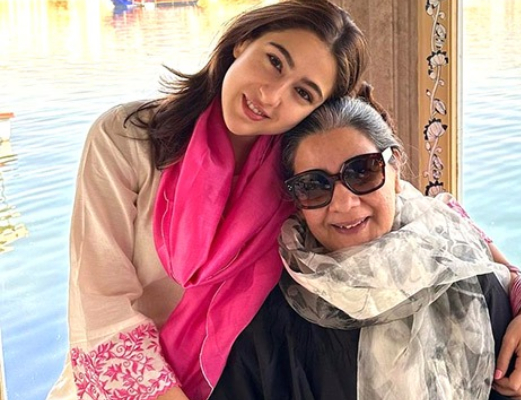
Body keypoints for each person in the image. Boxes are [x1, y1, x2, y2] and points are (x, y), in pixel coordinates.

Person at [46, 1, 369, 400]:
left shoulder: (300, 183)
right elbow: (100, 308)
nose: (271, 96)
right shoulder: (125, 139)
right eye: (274, 62)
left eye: (302, 93)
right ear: (242, 42)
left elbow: (375, 224)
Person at [211, 91, 521, 400]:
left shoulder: (466, 275)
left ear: (395, 169)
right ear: (296, 202)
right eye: (314, 185)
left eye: (362, 171)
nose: (344, 203)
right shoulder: (271, 314)